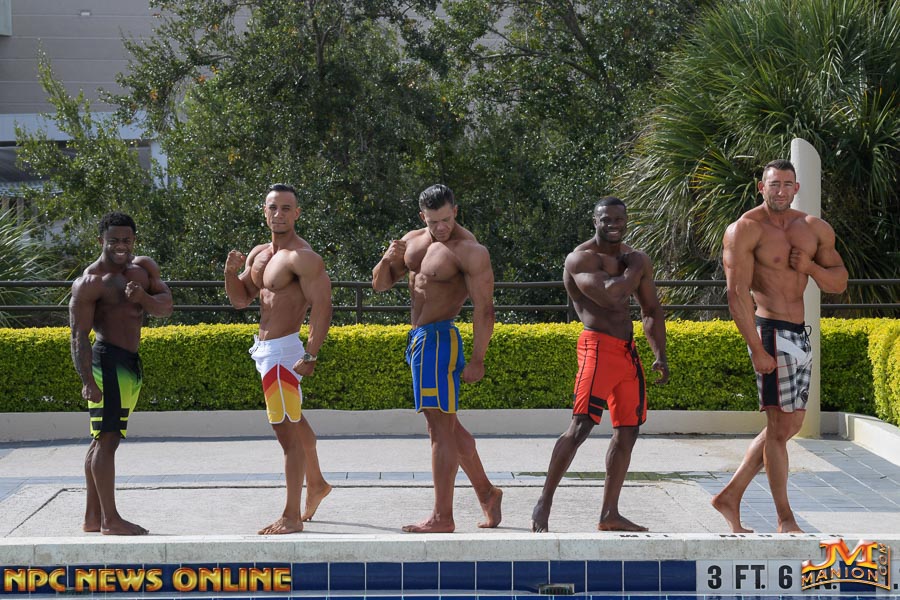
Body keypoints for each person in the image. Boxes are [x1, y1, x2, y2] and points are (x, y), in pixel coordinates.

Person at [713, 159, 847, 534]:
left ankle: (730, 495)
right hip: (770, 331)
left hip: (799, 334)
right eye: (774, 184)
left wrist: (811, 268)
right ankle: (785, 518)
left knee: (791, 424)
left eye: (788, 184)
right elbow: (736, 294)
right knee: (777, 427)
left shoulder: (813, 228)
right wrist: (757, 348)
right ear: (762, 187)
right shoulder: (745, 229)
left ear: (796, 188)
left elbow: (838, 282)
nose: (781, 190)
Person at [531, 196, 668, 533]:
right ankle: (544, 501)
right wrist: (634, 269)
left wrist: (659, 353)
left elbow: (651, 309)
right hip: (597, 348)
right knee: (581, 426)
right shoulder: (581, 259)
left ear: (626, 220)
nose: (613, 225)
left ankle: (610, 513)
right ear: (595, 221)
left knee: (629, 430)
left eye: (619, 219)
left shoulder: (635, 258)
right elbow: (611, 295)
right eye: (606, 219)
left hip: (627, 353)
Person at [371, 183, 503, 533]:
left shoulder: (469, 250)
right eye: (433, 221)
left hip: (440, 338)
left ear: (455, 211)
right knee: (448, 426)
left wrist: (478, 358)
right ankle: (487, 493)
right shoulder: (412, 241)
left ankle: (443, 517)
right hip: (418, 339)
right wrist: (387, 258)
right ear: (422, 217)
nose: (441, 227)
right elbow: (380, 285)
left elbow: (485, 308)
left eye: (446, 219)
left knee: (439, 429)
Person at [224, 183, 334, 535]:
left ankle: (291, 516)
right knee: (294, 420)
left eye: (286, 208)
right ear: (265, 210)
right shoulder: (259, 254)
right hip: (264, 351)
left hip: (284, 353)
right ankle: (316, 483)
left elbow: (323, 306)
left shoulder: (303, 257)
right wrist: (230, 273)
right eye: (273, 207)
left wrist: (311, 353)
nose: (279, 214)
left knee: (286, 432)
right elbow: (240, 300)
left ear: (297, 213)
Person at [69, 212, 173, 535]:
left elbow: (166, 306)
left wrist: (142, 297)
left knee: (101, 439)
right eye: (113, 240)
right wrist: (87, 381)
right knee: (108, 440)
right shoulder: (91, 282)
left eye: (126, 240)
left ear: (134, 240)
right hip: (106, 363)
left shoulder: (143, 269)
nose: (120, 246)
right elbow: (78, 336)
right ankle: (110, 520)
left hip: (130, 363)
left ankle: (92, 517)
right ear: (101, 240)